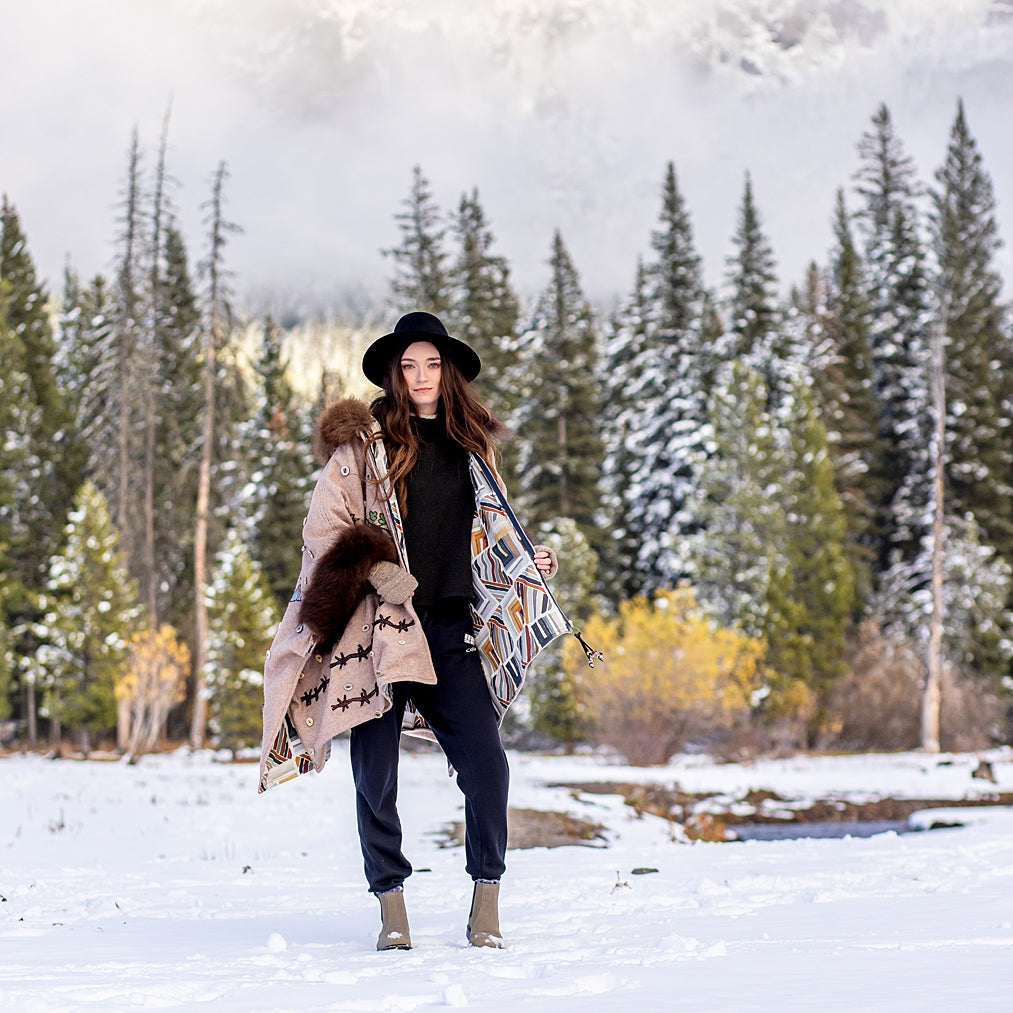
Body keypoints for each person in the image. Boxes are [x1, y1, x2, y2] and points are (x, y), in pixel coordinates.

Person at [258, 311, 590, 952]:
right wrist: (383, 575)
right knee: (374, 774)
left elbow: (487, 537)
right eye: (408, 366)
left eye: (431, 364)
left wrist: (529, 561)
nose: (420, 377)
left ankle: (486, 899)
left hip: (451, 629)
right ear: (393, 372)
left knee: (487, 766)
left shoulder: (473, 448)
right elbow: (323, 534)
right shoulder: (362, 450)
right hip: (380, 634)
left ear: (449, 371)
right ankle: (391, 905)